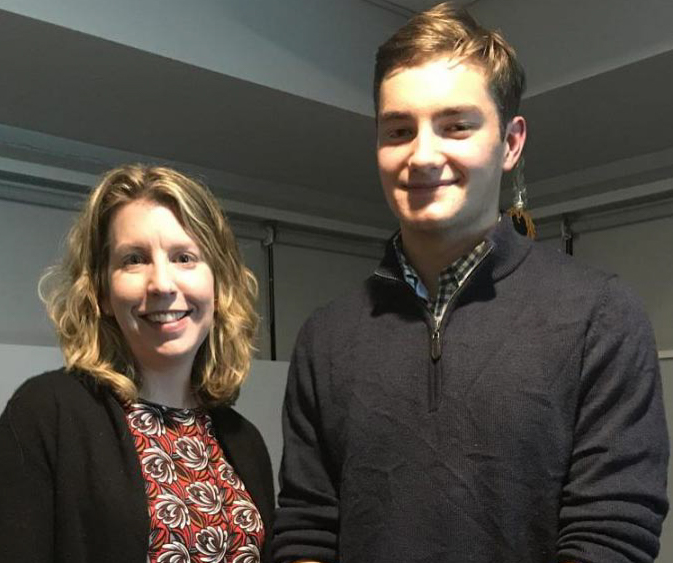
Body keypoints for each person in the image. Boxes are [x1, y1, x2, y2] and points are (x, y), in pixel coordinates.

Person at [273, 3, 669, 563]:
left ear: (510, 142)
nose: (423, 154)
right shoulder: (326, 337)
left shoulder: (601, 315)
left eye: (456, 125)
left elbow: (612, 535)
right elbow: (306, 528)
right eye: (399, 130)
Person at [0, 165, 275, 562]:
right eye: (134, 259)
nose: (162, 284)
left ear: (218, 285)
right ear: (100, 291)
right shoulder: (47, 413)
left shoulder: (243, 440)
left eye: (185, 257)